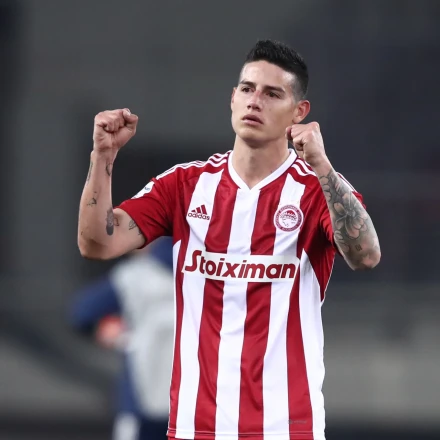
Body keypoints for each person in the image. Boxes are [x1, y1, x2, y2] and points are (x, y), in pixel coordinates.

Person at [77, 39, 381, 440]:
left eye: (272, 93)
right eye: (248, 89)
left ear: (299, 112)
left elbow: (366, 255)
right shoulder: (185, 185)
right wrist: (102, 157)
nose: (255, 101)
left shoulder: (316, 189)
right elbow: (97, 244)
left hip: (286, 429)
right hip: (195, 428)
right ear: (233, 98)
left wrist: (322, 166)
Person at [70, 238, 174, 440]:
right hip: (205, 405)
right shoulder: (218, 275)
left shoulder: (134, 276)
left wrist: (108, 329)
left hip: (141, 402)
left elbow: (81, 312)